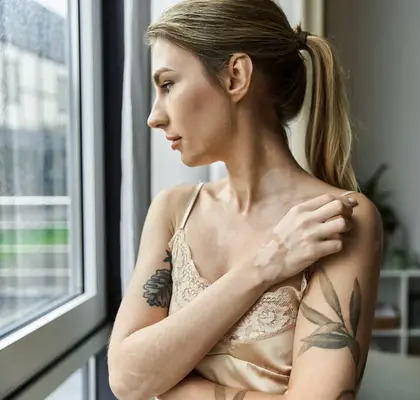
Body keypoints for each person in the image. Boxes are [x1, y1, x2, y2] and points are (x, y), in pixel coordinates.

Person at [107, 0, 383, 399]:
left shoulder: (339, 220)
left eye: (168, 85)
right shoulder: (172, 212)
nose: (154, 116)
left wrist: (171, 388)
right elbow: (127, 379)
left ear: (236, 76)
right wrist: (264, 266)